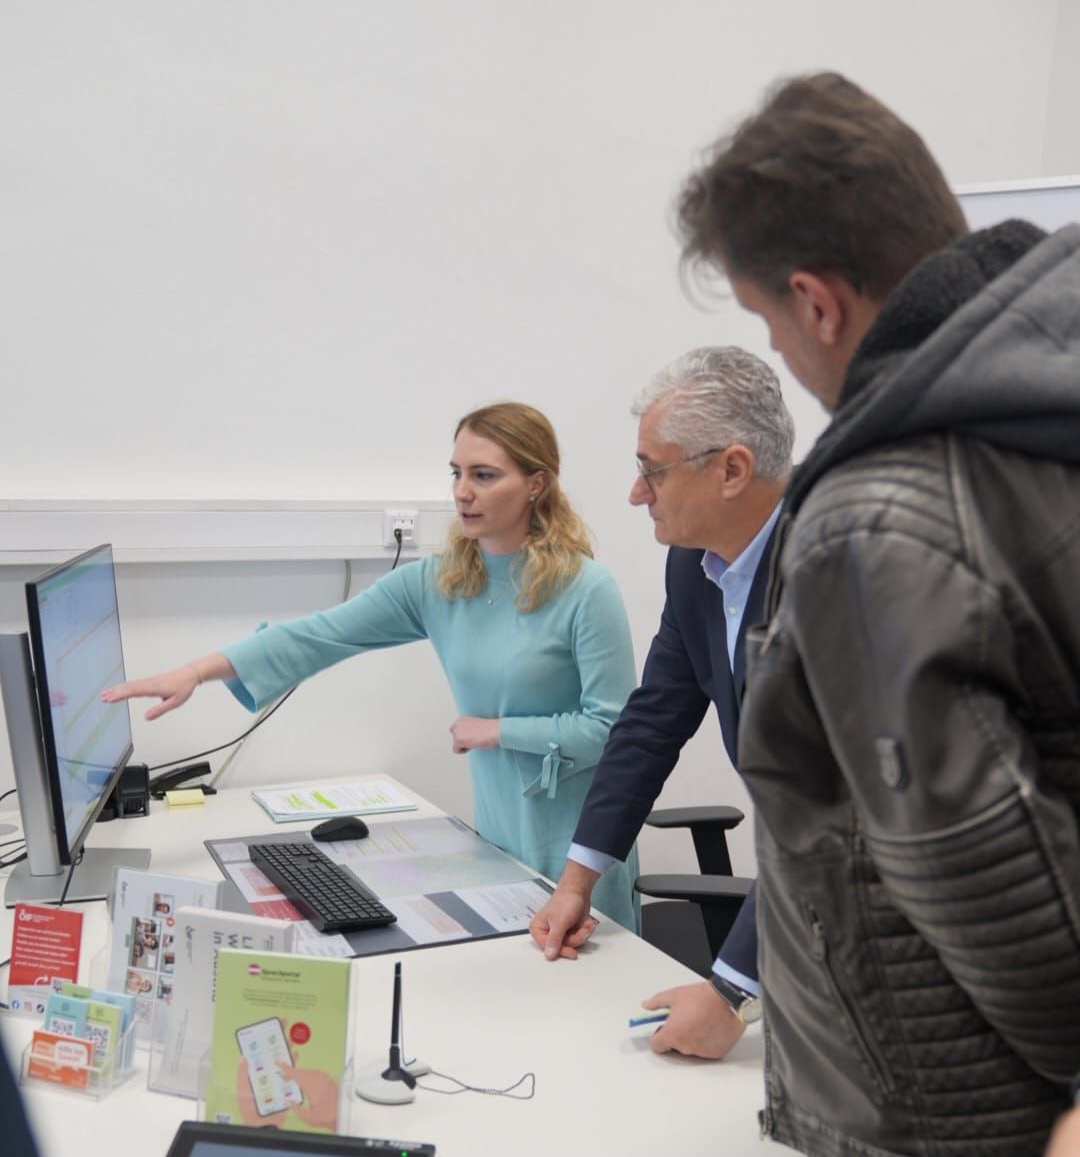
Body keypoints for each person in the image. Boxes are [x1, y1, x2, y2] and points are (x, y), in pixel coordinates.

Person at [677, 71, 1080, 1155]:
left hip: (947, 1113)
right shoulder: (1042, 406)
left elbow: (985, 872)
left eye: (765, 315)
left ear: (817, 300)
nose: (774, 350)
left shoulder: (875, 520)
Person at [104, 403, 639, 929]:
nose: (462, 491)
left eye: (484, 475)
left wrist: (499, 731)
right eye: (456, 473)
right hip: (499, 838)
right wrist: (197, 672)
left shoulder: (586, 590)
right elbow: (323, 634)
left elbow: (614, 731)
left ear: (536, 484)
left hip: (580, 849)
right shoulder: (442, 581)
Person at [529, 345, 792, 1060]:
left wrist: (731, 989)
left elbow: (834, 815)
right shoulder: (694, 565)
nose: (635, 493)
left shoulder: (833, 574)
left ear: (733, 469)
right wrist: (578, 880)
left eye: (652, 468)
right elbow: (652, 723)